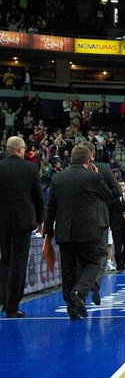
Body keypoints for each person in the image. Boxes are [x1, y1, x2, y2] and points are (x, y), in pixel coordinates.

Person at [43, 145, 114, 320]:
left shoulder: (58, 178)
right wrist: (98, 176)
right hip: (87, 231)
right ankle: (79, 292)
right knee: (92, 263)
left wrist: (48, 232)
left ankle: (72, 309)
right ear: (88, 160)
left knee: (68, 269)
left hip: (64, 231)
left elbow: (50, 208)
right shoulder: (92, 177)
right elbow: (109, 196)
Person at [0, 136, 44, 318]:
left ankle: (3, 300)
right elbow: (38, 197)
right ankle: (12, 306)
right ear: (19, 149)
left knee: (5, 260)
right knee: (19, 262)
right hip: (23, 222)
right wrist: (41, 220)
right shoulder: (30, 168)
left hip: (2, 221)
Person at [81, 141, 122, 303]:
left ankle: (81, 289)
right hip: (100, 218)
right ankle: (95, 284)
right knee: (100, 255)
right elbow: (117, 191)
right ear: (93, 153)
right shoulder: (104, 168)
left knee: (82, 257)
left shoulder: (72, 170)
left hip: (80, 219)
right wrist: (104, 203)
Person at [109, 180, 125, 273]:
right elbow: (109, 212)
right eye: (119, 185)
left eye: (123, 185)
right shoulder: (112, 198)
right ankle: (119, 266)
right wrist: (109, 225)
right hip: (116, 226)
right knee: (117, 247)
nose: (121, 187)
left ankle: (122, 261)